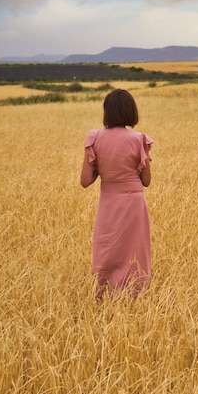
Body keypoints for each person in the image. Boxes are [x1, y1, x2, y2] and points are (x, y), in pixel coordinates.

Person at [80, 89, 153, 298]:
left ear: (107, 112)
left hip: (109, 199)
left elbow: (85, 181)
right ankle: (134, 291)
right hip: (134, 202)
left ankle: (104, 290)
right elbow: (146, 181)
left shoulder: (94, 138)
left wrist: (100, 168)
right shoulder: (140, 140)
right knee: (135, 246)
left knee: (107, 243)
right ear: (131, 112)